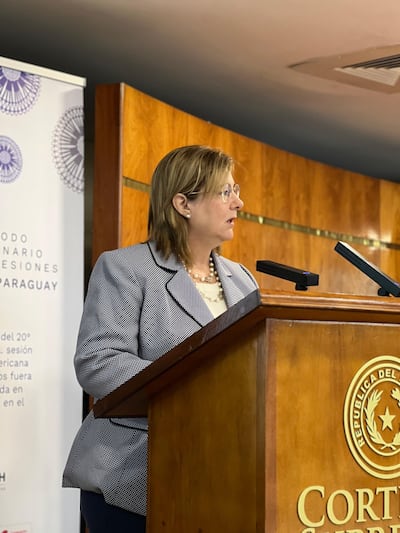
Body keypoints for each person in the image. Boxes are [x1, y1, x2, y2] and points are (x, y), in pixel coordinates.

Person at [62, 144, 259, 532]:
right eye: (225, 191)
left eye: (235, 191)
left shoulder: (242, 279)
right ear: (183, 204)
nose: (239, 203)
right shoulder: (125, 268)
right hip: (133, 475)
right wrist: (194, 386)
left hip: (222, 477)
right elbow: (98, 361)